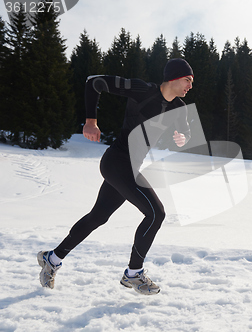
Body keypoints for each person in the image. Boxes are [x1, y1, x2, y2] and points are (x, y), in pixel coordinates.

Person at [37, 58, 194, 295]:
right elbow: (94, 83)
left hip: (130, 167)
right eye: (187, 80)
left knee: (97, 218)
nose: (190, 86)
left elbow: (186, 129)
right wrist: (91, 121)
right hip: (117, 162)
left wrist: (183, 137)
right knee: (156, 213)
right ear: (173, 77)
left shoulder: (179, 107)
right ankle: (134, 273)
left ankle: (52, 258)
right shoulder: (143, 90)